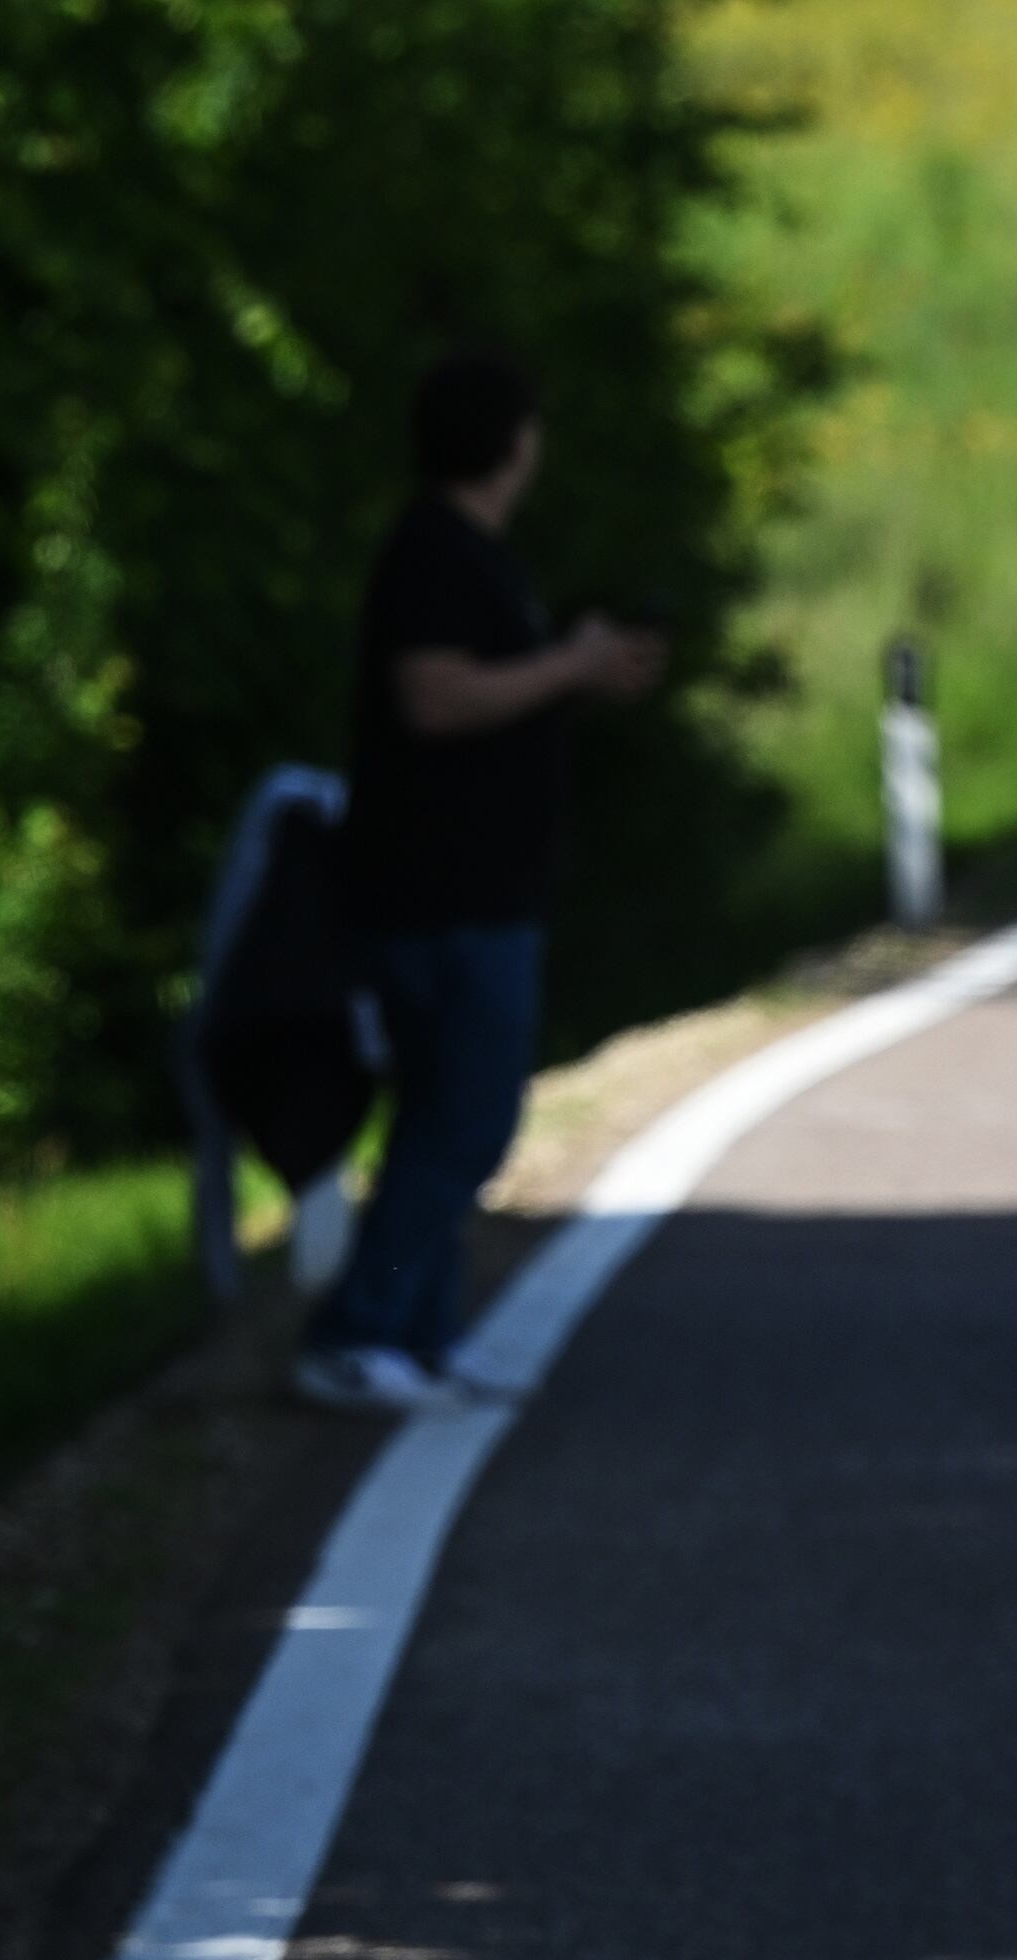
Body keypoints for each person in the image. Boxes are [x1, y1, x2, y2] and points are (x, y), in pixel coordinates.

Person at [300, 349, 662, 1415]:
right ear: (512, 443)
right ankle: (356, 1332)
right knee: (466, 1119)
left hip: (465, 889)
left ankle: (416, 1336)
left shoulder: (462, 554)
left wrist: (575, 674)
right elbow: (436, 699)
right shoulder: (433, 555)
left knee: (441, 1119)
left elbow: (479, 694)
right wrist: (570, 666)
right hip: (444, 897)